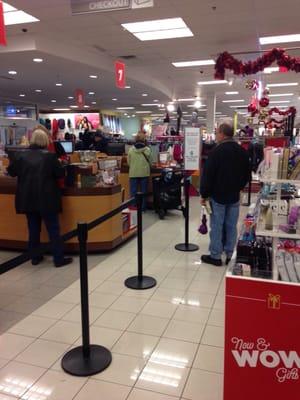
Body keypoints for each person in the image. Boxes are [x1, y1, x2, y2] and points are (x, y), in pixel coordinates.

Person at [7, 129, 73, 268]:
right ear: (45, 141)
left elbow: (11, 172)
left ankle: (35, 257)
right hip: (47, 198)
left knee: (33, 228)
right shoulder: (50, 157)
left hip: (28, 198)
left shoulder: (21, 156)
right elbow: (60, 174)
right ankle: (58, 258)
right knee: (53, 229)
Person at [200, 123, 250, 266]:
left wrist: (204, 194)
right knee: (231, 225)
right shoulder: (241, 151)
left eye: (216, 132)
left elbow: (208, 175)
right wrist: (239, 187)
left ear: (222, 133)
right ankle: (230, 255)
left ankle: (215, 256)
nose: (215, 135)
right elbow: (247, 174)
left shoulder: (216, 152)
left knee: (216, 225)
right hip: (234, 195)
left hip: (218, 195)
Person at [128, 133, 152, 211]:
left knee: (133, 191)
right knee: (144, 191)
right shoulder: (147, 149)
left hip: (133, 172)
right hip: (144, 172)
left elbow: (129, 162)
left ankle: (134, 206)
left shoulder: (131, 149)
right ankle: (143, 207)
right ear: (144, 140)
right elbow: (151, 161)